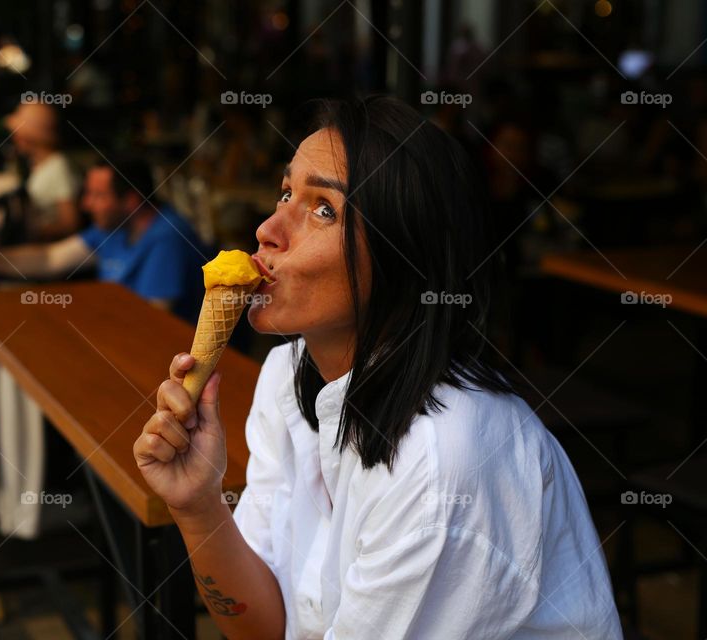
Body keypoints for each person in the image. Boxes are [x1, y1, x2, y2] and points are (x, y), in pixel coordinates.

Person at [133, 97, 622, 639]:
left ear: (404, 256)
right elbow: (264, 629)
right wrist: (200, 506)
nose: (269, 228)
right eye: (287, 192)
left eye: (324, 210)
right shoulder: (285, 376)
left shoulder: (444, 463)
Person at [0, 158, 207, 319]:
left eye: (97, 196)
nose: (85, 204)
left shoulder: (167, 238)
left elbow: (154, 321)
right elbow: (48, 258)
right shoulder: (116, 227)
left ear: (130, 200)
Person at [0, 101, 81, 240]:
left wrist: (29, 232)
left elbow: (70, 224)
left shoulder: (59, 167)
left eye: (17, 134)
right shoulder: (37, 165)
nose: (14, 139)